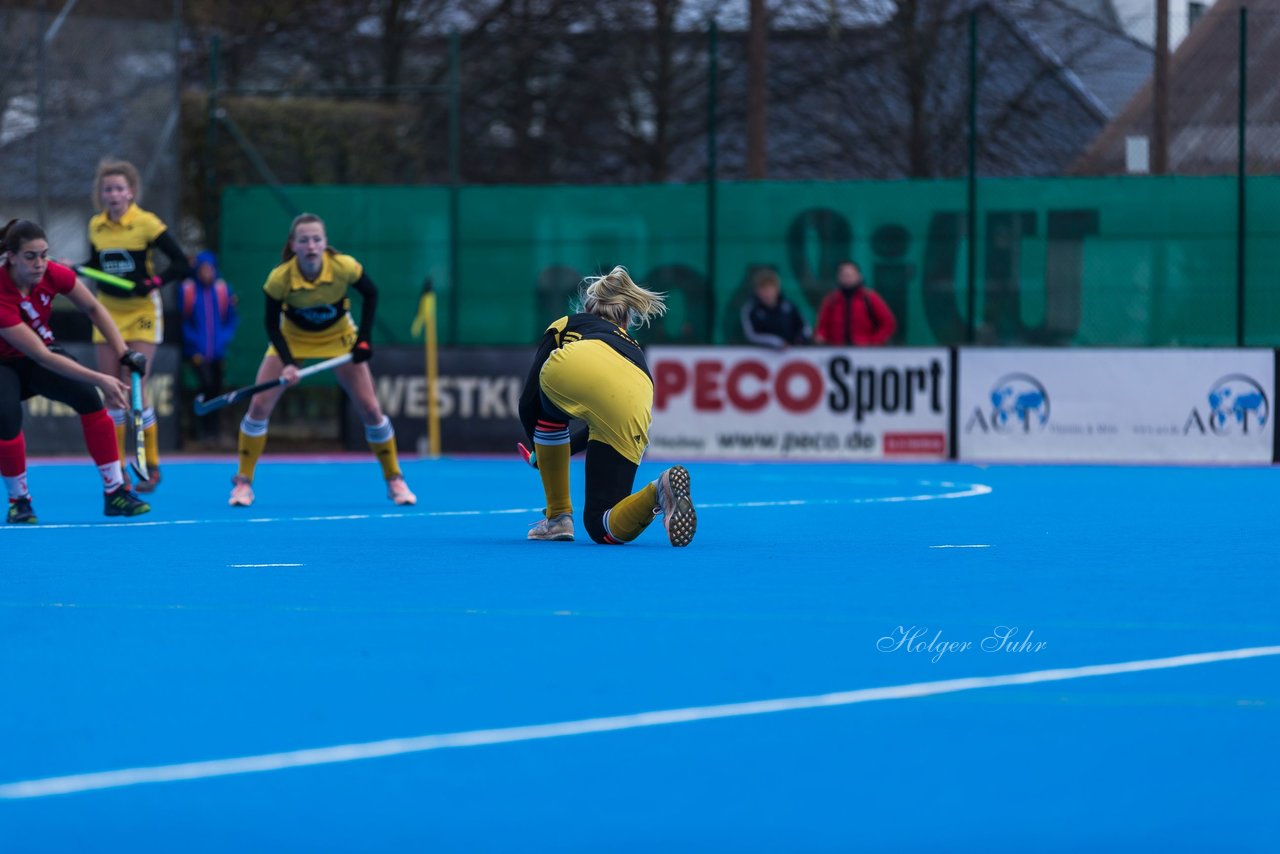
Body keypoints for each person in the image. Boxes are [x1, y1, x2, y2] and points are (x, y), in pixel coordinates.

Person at [228, 213, 415, 508]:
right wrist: (288, 363)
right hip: (291, 339)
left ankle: (394, 479)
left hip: (339, 339)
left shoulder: (344, 267)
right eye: (304, 240)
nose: (311, 246)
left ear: (325, 243)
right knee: (259, 405)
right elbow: (271, 325)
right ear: (293, 245)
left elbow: (372, 293)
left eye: (317, 239)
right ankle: (243, 482)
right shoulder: (280, 278)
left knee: (370, 408)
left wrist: (363, 339)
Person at [518, 266, 696, 547]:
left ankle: (558, 518)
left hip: (575, 364)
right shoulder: (633, 347)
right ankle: (658, 490)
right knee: (602, 524)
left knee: (548, 416)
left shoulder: (568, 323)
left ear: (588, 308)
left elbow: (529, 400)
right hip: (638, 388)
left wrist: (538, 449)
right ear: (626, 320)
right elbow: (594, 428)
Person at [0, 219, 151, 523]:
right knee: (6, 419)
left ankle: (115, 492)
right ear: (11, 257)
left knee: (89, 399)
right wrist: (102, 378)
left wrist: (124, 353)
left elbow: (93, 308)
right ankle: (20, 501)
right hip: (6, 362)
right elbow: (41, 355)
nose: (40, 263)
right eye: (31, 256)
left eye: (44, 254)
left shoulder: (52, 273)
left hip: (37, 356)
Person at [81, 159, 192, 493]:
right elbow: (97, 265)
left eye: (119, 188)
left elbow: (181, 263)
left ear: (130, 192)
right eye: (107, 189)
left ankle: (150, 466)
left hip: (142, 312)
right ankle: (118, 471)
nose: (113, 194)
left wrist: (154, 281)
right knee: (112, 392)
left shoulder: (146, 223)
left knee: (137, 387)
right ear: (101, 195)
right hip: (106, 313)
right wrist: (76, 268)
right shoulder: (96, 226)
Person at [181, 251, 238, 443]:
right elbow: (184, 321)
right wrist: (193, 344)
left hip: (218, 352)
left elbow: (231, 319)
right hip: (197, 352)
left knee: (216, 389)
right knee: (204, 387)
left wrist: (223, 340)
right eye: (203, 269)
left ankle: (214, 432)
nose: (207, 273)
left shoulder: (222, 290)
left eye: (210, 269)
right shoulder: (188, 290)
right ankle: (201, 432)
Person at [813, 260, 897, 346]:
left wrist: (873, 341)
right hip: (837, 350)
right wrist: (821, 336)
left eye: (850, 275)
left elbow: (888, 324)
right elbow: (822, 326)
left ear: (859, 277)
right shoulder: (831, 300)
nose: (847, 278)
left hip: (866, 350)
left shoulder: (870, 298)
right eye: (844, 275)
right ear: (839, 277)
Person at [740, 267, 809, 349]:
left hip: (791, 352)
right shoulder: (751, 309)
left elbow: (805, 327)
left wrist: (800, 338)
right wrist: (776, 342)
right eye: (763, 290)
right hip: (761, 354)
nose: (767, 294)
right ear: (757, 291)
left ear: (777, 289)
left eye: (770, 289)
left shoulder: (789, 306)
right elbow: (751, 335)